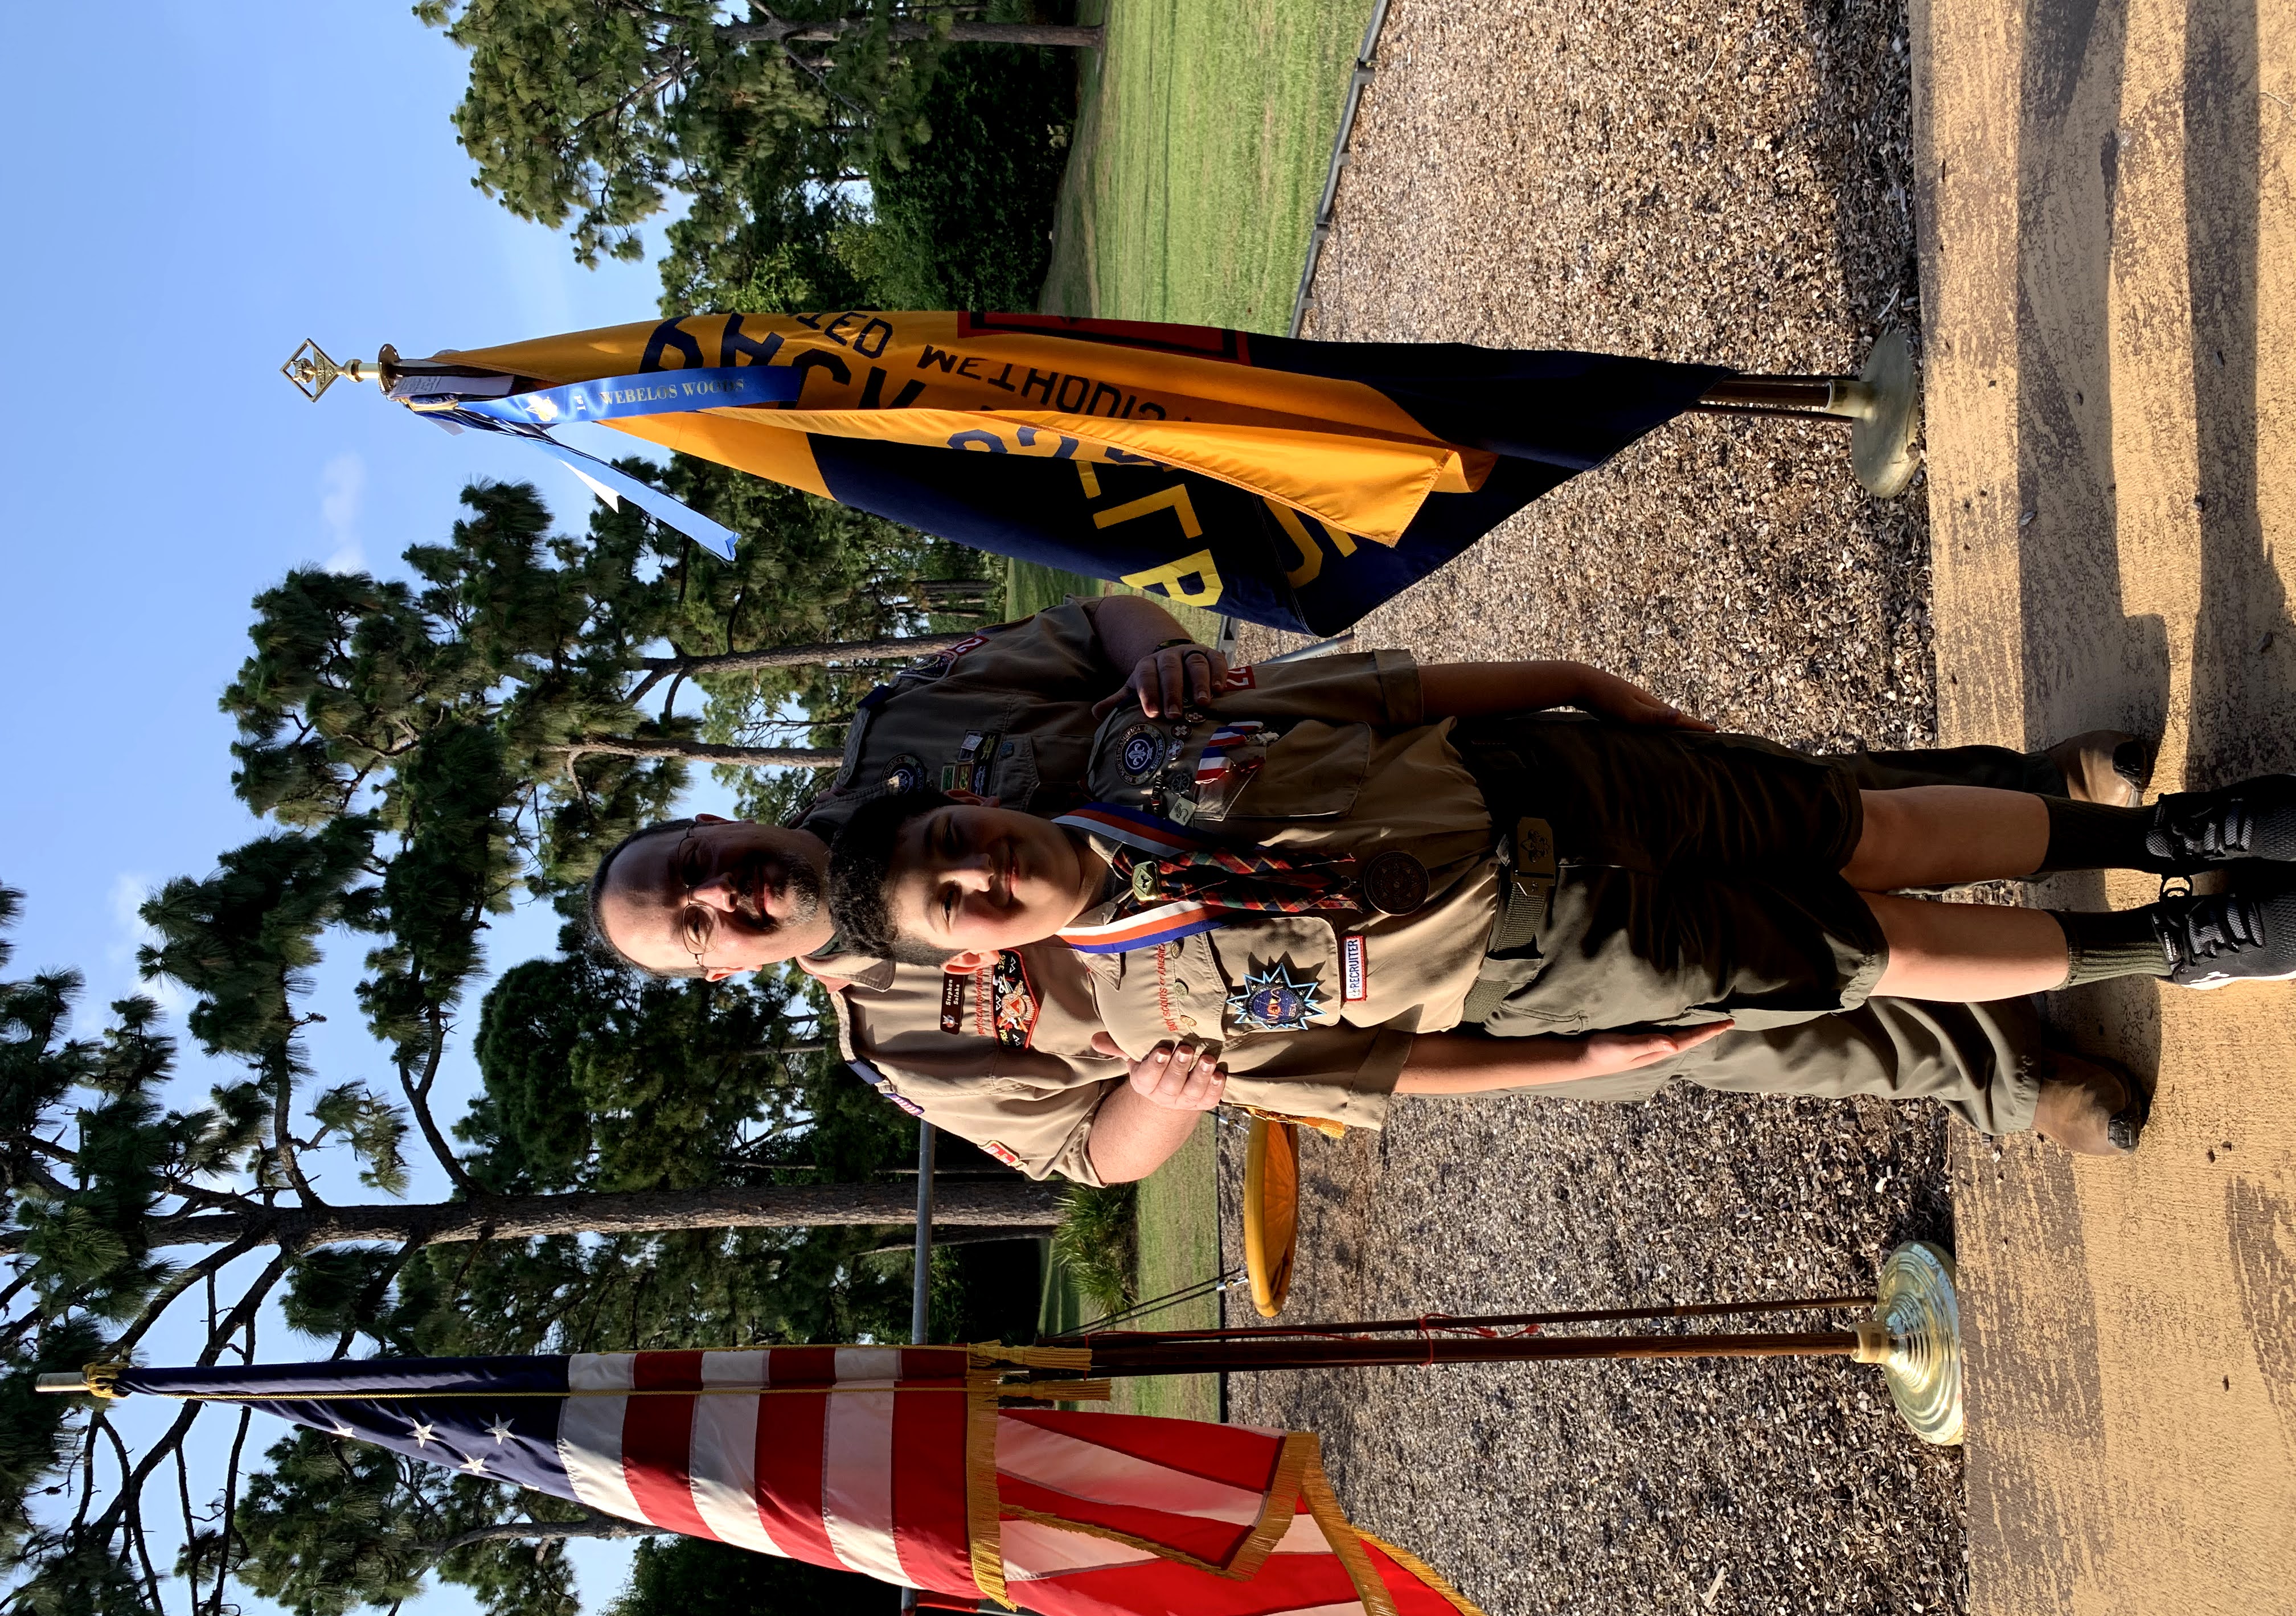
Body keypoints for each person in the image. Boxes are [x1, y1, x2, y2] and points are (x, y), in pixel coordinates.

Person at [583, 597, 2156, 1171]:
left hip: (1336, 787)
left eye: (693, 866)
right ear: (723, 972)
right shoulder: (904, 1047)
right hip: (1377, 978)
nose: (724, 895)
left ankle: (2034, 798)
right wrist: (1165, 1102)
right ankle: (2006, 1076)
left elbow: (1096, 627)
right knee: (1726, 1014)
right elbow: (1089, 1156)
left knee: (1753, 796)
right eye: (697, 928)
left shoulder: (902, 728)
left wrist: (1171, 656)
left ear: (711, 824)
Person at [824, 656, 2296, 1183]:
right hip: (1533, 966)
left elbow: (1354, 690)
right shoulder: (1018, 1030)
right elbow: (1360, 1071)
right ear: (976, 956)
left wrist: (1578, 684)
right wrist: (1571, 1061)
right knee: (1839, 964)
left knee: (1847, 824)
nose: (979, 871)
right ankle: (2151, 967)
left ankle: (2157, 838)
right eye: (956, 905)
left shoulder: (989, 738)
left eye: (956, 842)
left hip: (1534, 787)